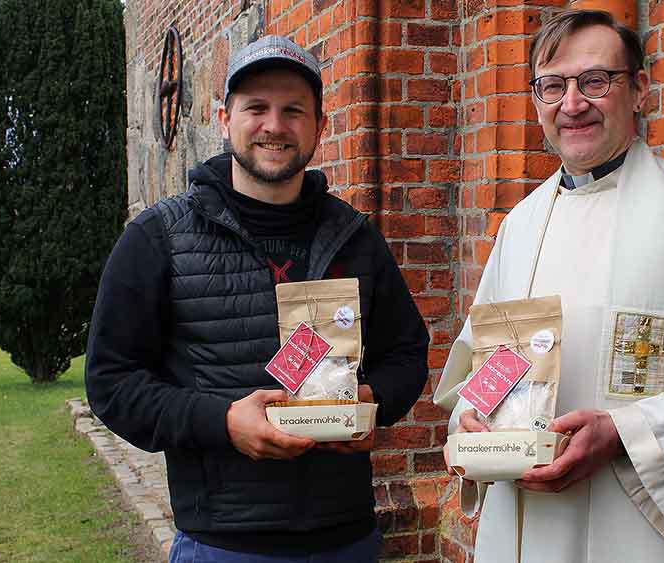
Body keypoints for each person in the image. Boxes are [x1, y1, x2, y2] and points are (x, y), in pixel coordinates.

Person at [434, 10, 664, 562]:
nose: (572, 103)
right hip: (529, 528)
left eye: (595, 81)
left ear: (640, 91)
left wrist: (624, 435)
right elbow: (482, 368)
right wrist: (471, 420)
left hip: (646, 531)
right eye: (552, 86)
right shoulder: (521, 226)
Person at [86, 35, 430, 562]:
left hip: (347, 539)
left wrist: (374, 402)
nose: (274, 125)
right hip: (223, 543)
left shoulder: (356, 237)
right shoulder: (158, 239)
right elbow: (112, 383)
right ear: (224, 118)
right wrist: (221, 423)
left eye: (293, 109)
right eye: (256, 108)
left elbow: (406, 352)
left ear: (319, 124)